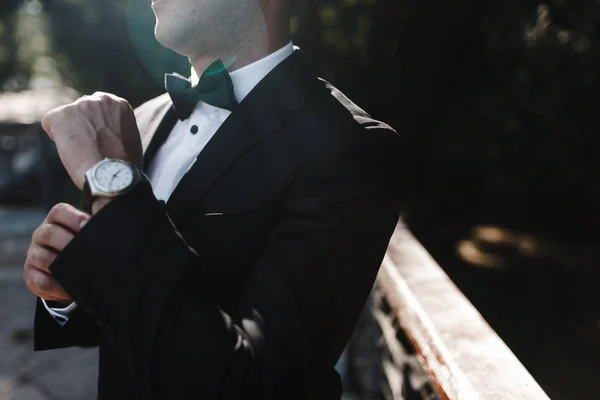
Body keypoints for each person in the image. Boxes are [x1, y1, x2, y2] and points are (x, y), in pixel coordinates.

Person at [24, 0, 404, 398]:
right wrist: (64, 295)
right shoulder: (141, 121)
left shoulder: (352, 149)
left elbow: (255, 385)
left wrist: (111, 183)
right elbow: (138, 311)